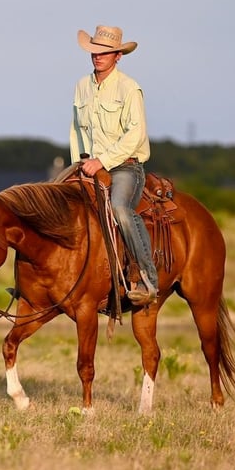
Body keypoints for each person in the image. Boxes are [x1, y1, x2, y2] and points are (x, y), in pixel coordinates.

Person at [69, 25, 158, 306]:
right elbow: (76, 129)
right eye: (94, 51)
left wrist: (103, 161)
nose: (98, 56)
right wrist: (79, 163)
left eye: (105, 52)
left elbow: (136, 133)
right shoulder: (82, 86)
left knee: (120, 208)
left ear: (118, 55)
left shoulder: (129, 88)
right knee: (55, 200)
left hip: (124, 166)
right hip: (88, 165)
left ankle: (147, 278)